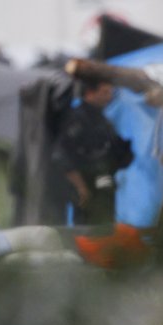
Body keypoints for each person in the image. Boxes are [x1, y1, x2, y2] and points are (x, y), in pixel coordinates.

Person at [51, 78, 133, 226]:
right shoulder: (77, 118)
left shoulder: (102, 119)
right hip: (87, 191)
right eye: (105, 92)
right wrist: (80, 186)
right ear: (90, 92)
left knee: (105, 230)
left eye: (110, 92)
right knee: (87, 233)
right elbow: (62, 155)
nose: (109, 97)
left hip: (104, 188)